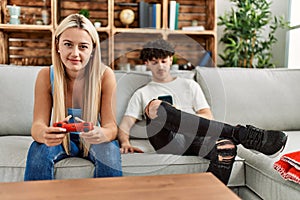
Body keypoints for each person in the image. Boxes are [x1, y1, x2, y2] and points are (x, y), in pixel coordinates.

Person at [118, 39, 288, 184]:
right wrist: (125, 143)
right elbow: (125, 125)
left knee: (225, 147)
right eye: (154, 62)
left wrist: (179, 118)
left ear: (171, 59)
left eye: (164, 60)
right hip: (167, 140)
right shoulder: (142, 93)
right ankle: (243, 134)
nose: (160, 66)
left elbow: (207, 117)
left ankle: (209, 194)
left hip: (195, 137)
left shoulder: (190, 85)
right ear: (147, 64)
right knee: (156, 106)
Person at [24, 14, 122, 181]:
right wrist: (44, 133)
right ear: (57, 46)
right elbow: (37, 125)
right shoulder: (46, 75)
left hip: (93, 139)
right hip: (61, 139)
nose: (75, 53)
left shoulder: (105, 75)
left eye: (83, 46)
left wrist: (102, 133)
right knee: (38, 150)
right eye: (68, 44)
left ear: (92, 50)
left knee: (109, 151)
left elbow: (111, 127)